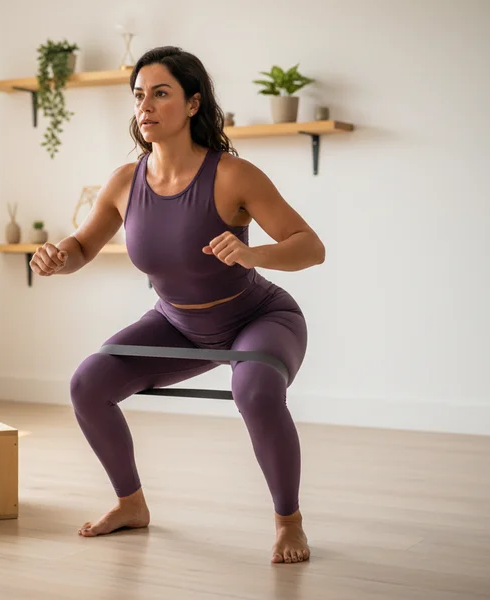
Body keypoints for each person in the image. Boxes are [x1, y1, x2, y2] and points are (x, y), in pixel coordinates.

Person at [29, 46, 324, 564]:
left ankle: (288, 521)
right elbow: (81, 248)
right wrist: (58, 257)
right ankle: (130, 504)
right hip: (177, 324)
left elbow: (310, 246)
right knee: (88, 384)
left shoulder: (233, 174)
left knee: (253, 391)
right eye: (139, 95)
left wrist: (254, 252)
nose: (145, 105)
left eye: (160, 93)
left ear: (192, 104)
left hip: (257, 317)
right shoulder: (125, 182)